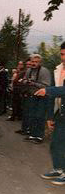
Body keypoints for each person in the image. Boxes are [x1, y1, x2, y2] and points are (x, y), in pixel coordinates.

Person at [37, 42, 65, 184]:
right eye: (62, 54)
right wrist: (49, 116)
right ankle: (58, 169)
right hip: (60, 111)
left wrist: (47, 91)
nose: (63, 57)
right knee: (55, 143)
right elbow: (53, 91)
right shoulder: (58, 70)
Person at [22, 54, 51, 144]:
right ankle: (32, 134)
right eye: (32, 61)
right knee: (32, 115)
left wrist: (33, 83)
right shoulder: (29, 70)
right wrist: (25, 82)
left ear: (40, 62)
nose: (34, 63)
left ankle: (39, 136)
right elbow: (24, 80)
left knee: (40, 116)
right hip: (32, 95)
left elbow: (46, 85)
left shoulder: (44, 71)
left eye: (36, 62)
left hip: (42, 96)